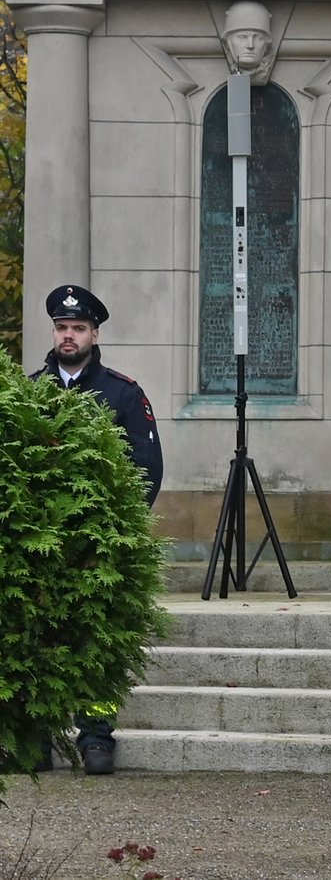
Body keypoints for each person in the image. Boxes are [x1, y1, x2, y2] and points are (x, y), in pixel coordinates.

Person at [31, 284, 163, 776]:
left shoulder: (122, 393)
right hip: (38, 542)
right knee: (37, 639)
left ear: (94, 334)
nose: (69, 335)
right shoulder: (31, 391)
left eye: (78, 328)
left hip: (98, 544)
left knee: (95, 641)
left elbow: (146, 467)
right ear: (55, 332)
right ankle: (36, 739)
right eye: (63, 328)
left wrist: (117, 528)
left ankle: (96, 739)